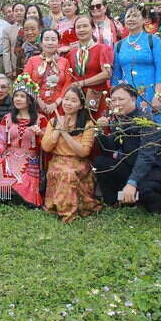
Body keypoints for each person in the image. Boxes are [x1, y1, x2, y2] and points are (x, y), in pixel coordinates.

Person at [93, 85, 161, 213]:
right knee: (100, 163)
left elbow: (146, 156)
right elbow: (110, 148)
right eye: (113, 100)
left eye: (121, 99)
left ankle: (158, 203)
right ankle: (114, 201)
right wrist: (100, 131)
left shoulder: (146, 121)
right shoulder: (119, 119)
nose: (117, 103)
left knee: (143, 190)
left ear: (133, 99)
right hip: (132, 165)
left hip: (155, 169)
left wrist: (132, 182)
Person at [42, 85, 101, 222]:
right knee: (64, 172)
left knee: (68, 173)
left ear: (80, 105)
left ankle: (68, 213)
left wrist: (65, 134)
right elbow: (46, 147)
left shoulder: (87, 124)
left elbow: (84, 152)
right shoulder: (54, 121)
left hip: (78, 162)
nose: (68, 103)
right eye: (66, 99)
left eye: (73, 100)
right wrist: (58, 130)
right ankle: (63, 208)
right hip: (57, 161)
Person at [0, 75, 47, 207]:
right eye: (16, 96)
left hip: (30, 159)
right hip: (9, 156)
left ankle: (21, 197)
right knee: (0, 168)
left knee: (25, 180)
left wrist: (40, 134)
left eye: (22, 96)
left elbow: (47, 144)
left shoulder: (41, 120)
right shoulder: (7, 118)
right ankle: (6, 196)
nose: (18, 99)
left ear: (30, 100)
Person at [110, 4, 161, 113]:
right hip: (126, 96)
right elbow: (116, 75)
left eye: (135, 16)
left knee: (150, 122)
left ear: (144, 19)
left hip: (149, 93)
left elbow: (160, 70)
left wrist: (157, 95)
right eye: (128, 16)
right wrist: (113, 99)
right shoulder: (119, 45)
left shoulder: (154, 40)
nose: (131, 19)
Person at [65, 15, 113, 119]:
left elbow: (107, 73)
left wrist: (82, 83)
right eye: (78, 27)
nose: (81, 30)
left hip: (97, 96)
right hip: (77, 98)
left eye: (85, 26)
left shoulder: (102, 49)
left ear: (93, 28)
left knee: (97, 125)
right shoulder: (71, 53)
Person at [23, 29, 70, 117]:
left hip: (59, 106)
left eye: (53, 39)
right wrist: (39, 101)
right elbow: (25, 81)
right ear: (41, 43)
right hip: (36, 105)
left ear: (58, 43)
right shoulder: (32, 60)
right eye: (46, 39)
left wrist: (56, 103)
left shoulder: (65, 62)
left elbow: (68, 83)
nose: (50, 42)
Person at [2, 3, 27, 79]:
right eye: (16, 11)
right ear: (13, 13)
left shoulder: (32, 27)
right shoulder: (8, 30)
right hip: (15, 67)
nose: (19, 13)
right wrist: (8, 69)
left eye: (21, 10)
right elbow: (6, 51)